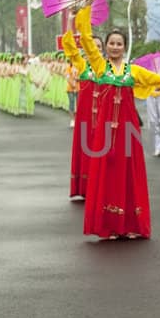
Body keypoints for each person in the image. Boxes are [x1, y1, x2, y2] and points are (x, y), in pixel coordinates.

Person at [75, 10, 160, 238]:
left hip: (128, 131)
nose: (115, 47)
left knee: (128, 174)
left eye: (119, 43)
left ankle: (129, 223)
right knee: (106, 174)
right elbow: (85, 38)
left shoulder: (133, 71)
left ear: (124, 47)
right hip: (104, 133)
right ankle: (108, 224)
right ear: (105, 47)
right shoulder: (99, 67)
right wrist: (86, 9)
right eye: (111, 43)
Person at [61, 20, 96, 200]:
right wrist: (71, 20)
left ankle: (101, 185)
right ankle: (84, 186)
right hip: (85, 115)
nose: (94, 48)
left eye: (98, 46)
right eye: (92, 45)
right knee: (86, 149)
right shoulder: (82, 65)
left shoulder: (109, 68)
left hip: (103, 116)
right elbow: (69, 45)